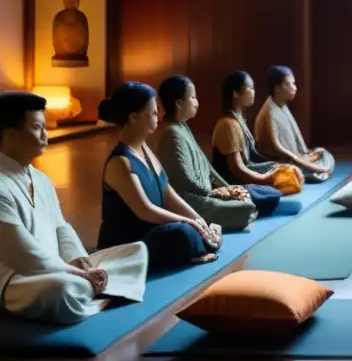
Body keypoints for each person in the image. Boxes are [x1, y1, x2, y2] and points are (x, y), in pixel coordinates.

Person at [0, 92, 148, 324]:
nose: (45, 134)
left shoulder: (40, 178)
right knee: (60, 289)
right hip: (19, 279)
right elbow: (23, 255)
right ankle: (94, 291)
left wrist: (78, 258)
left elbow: (61, 226)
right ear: (9, 134)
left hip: (58, 267)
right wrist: (77, 273)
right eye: (37, 127)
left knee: (137, 251)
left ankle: (89, 288)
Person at [97, 82, 222, 269]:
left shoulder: (145, 149)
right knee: (183, 233)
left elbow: (168, 193)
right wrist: (189, 223)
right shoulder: (120, 161)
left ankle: (195, 247)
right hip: (129, 244)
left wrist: (199, 220)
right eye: (153, 113)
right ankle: (193, 249)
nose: (159, 116)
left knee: (199, 228)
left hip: (153, 233)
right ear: (133, 117)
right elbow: (145, 210)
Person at [155, 75, 264, 230]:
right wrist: (215, 192)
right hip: (190, 200)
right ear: (179, 103)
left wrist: (228, 188)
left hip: (202, 193)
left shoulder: (182, 126)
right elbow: (184, 181)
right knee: (245, 208)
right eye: (192, 97)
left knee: (246, 198)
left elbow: (207, 167)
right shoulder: (171, 133)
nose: (196, 103)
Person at [211, 71, 303, 204]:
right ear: (236, 93)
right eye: (250, 88)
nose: (253, 92)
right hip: (232, 182)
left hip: (247, 173)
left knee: (289, 171)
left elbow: (251, 160)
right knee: (290, 189)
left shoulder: (239, 120)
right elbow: (237, 168)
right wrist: (265, 179)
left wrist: (275, 168)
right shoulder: (228, 124)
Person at [254, 66, 335, 182]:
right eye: (289, 84)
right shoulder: (269, 112)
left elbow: (296, 138)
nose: (295, 88)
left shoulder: (281, 105)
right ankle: (310, 172)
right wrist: (310, 165)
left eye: (294, 84)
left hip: (295, 159)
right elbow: (278, 148)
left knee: (323, 153)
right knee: (319, 166)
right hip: (279, 163)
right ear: (277, 88)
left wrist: (306, 156)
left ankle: (313, 170)